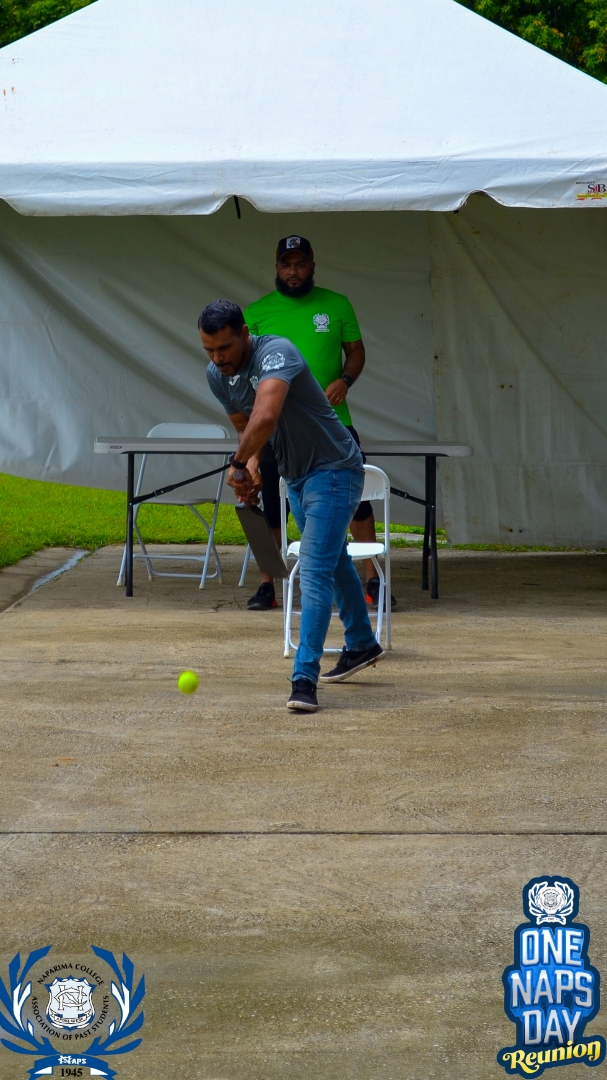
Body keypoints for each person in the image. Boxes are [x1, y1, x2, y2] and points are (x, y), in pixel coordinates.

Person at [199, 299, 384, 712]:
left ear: (244, 333)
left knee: (314, 570)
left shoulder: (276, 352)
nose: (218, 358)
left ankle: (304, 678)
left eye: (225, 347)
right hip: (296, 476)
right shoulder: (217, 376)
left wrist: (236, 465)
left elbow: (265, 415)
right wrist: (250, 470)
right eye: (209, 350)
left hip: (335, 469)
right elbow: (246, 429)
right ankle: (362, 643)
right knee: (333, 560)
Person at [243, 234, 395, 612]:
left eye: (300, 264)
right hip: (278, 428)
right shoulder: (256, 312)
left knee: (357, 499)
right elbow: (248, 370)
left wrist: (345, 380)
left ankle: (373, 579)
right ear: (276, 268)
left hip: (332, 423)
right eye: (286, 265)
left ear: (313, 266)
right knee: (272, 503)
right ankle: (268, 583)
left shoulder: (337, 304)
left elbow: (356, 351)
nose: (293, 272)